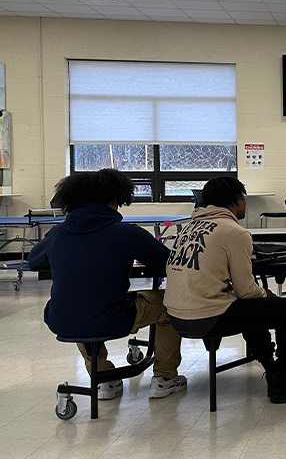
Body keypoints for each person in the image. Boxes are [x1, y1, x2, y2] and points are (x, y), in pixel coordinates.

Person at [27, 169, 185, 400]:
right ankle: (165, 377)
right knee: (171, 304)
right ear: (113, 200)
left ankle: (104, 378)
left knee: (80, 307)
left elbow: (33, 260)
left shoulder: (58, 233)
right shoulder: (126, 233)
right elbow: (168, 264)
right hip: (112, 318)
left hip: (61, 320)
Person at [164, 177, 286, 404]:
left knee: (249, 311)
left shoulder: (187, 229)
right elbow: (247, 291)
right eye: (243, 199)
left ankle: (273, 371)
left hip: (176, 318)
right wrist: (267, 294)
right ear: (236, 200)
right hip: (207, 317)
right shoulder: (234, 232)